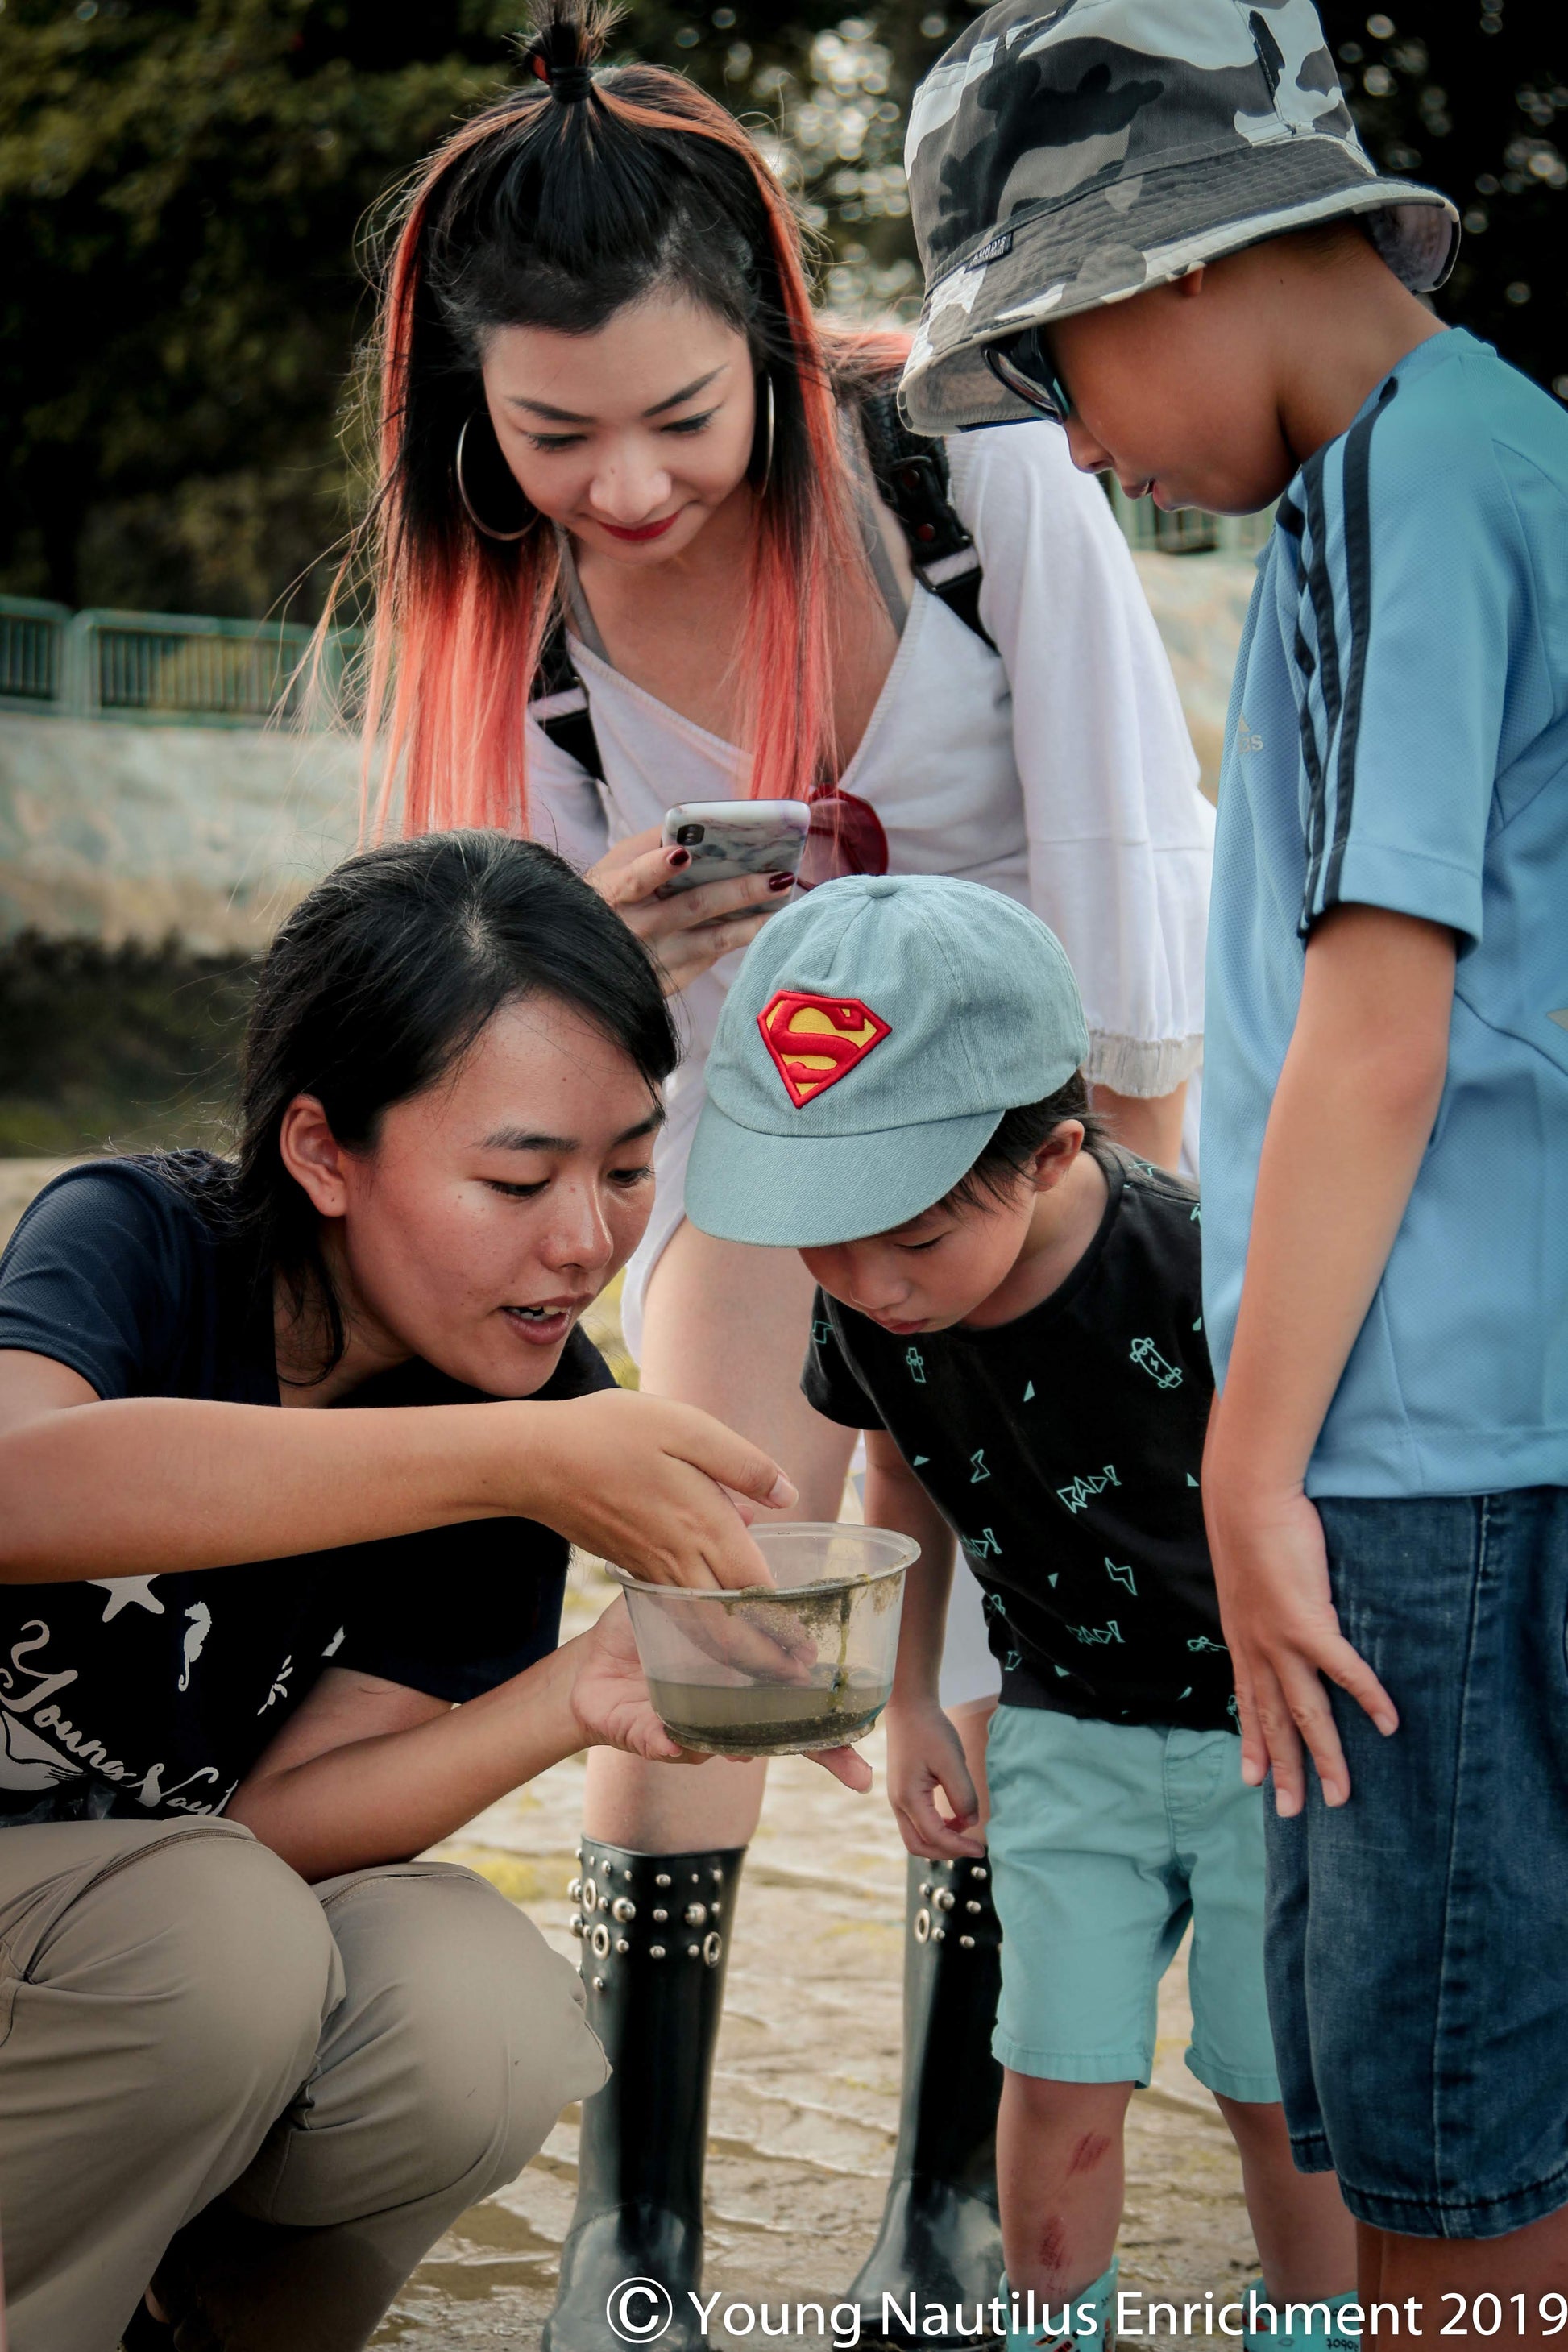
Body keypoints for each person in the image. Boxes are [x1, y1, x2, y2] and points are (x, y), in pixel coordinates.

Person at [342, 2, 1216, 2333]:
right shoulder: (509, 623)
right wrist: (596, 945)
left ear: (766, 331)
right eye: (553, 434)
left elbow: (1126, 823)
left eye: (676, 420)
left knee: (1045, 1614)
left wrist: (1134, 1225)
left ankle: (943, 2211)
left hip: (1038, 1132)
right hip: (757, 1122)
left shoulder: (958, 455)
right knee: (714, 1579)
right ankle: (637, 2227)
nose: (623, 486)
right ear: (473, 408)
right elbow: (496, 1002)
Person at [901, 0, 1568, 2337]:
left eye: (1056, 368)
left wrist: (1243, 1465)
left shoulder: (1398, 479)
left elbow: (1379, 1041)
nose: (1074, 443)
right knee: (1469, 2107)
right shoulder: (1490, 458)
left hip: (1423, 1460)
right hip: (1482, 1430)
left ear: (1172, 260)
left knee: (1447, 2152)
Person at [0, 829, 859, 2352]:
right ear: (324, 1152)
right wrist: (510, 1462)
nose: (586, 1241)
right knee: (223, 1938)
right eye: (518, 1176)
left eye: (627, 1170)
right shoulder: (140, 1241)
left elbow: (278, 1822)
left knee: (479, 2009)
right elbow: (19, 1489)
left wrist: (572, 1696)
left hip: (156, 1937)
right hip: (102, 1943)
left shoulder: (529, 1407)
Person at [685, 872, 1357, 2348]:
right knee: (1053, 2076)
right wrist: (910, 1691)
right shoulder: (869, 1301)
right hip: (1062, 1735)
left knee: (1271, 2085)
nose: (868, 1287)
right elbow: (898, 1467)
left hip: (1274, 1744)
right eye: (826, 1241)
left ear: (1051, 1151)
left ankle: (1318, 2320)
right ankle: (1054, 2319)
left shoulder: (1203, 1269)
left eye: (912, 1244)